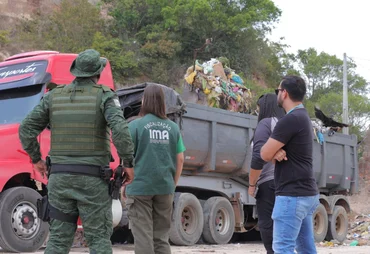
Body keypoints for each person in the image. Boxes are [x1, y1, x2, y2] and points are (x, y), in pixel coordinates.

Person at [19, 49, 135, 254]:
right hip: (93, 181)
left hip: (60, 180)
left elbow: (26, 128)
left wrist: (36, 159)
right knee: (99, 240)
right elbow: (120, 130)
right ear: (98, 73)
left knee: (57, 241)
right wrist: (127, 163)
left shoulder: (53, 96)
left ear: (76, 72)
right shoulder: (105, 96)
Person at [260, 75, 319, 254]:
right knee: (306, 249)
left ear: (284, 93)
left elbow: (263, 153)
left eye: (278, 90)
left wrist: (273, 151)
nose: (277, 94)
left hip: (292, 196)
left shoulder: (289, 120)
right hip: (306, 193)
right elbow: (272, 152)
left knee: (282, 248)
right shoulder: (303, 117)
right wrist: (275, 152)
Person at [125, 84, 186, 254]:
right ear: (162, 102)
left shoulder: (135, 126)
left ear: (145, 101)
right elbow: (180, 158)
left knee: (143, 237)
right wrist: (172, 185)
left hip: (140, 187)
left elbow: (126, 156)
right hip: (165, 187)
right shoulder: (173, 128)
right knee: (161, 238)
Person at [248, 93, 285, 254]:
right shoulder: (285, 123)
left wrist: (251, 184)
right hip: (286, 181)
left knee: (266, 223)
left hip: (268, 182)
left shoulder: (266, 123)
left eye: (258, 107)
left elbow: (258, 156)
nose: (257, 111)